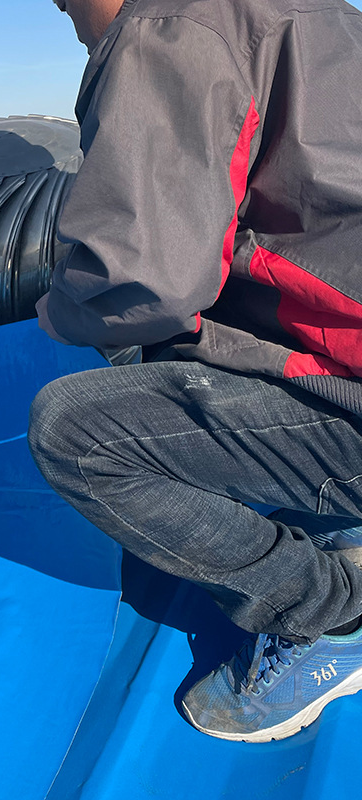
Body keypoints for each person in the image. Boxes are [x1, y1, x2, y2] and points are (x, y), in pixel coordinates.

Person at [29, 0, 362, 742]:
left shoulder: (171, 23)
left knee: (75, 432)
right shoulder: (315, 13)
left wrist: (63, 310)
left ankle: (328, 618)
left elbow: (146, 281)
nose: (62, 10)